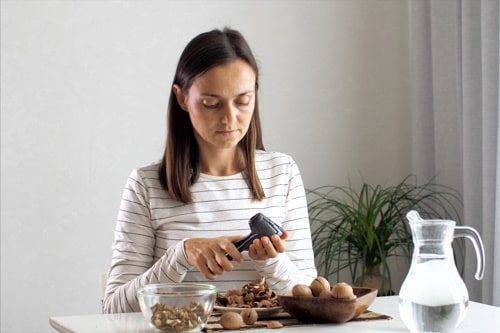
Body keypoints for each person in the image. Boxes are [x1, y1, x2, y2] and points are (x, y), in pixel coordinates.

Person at [103, 27, 318, 314]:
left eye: (243, 101)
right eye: (211, 104)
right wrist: (181, 255)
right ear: (182, 98)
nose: (230, 117)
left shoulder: (283, 173)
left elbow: (314, 299)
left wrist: (271, 262)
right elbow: (114, 309)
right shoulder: (145, 185)